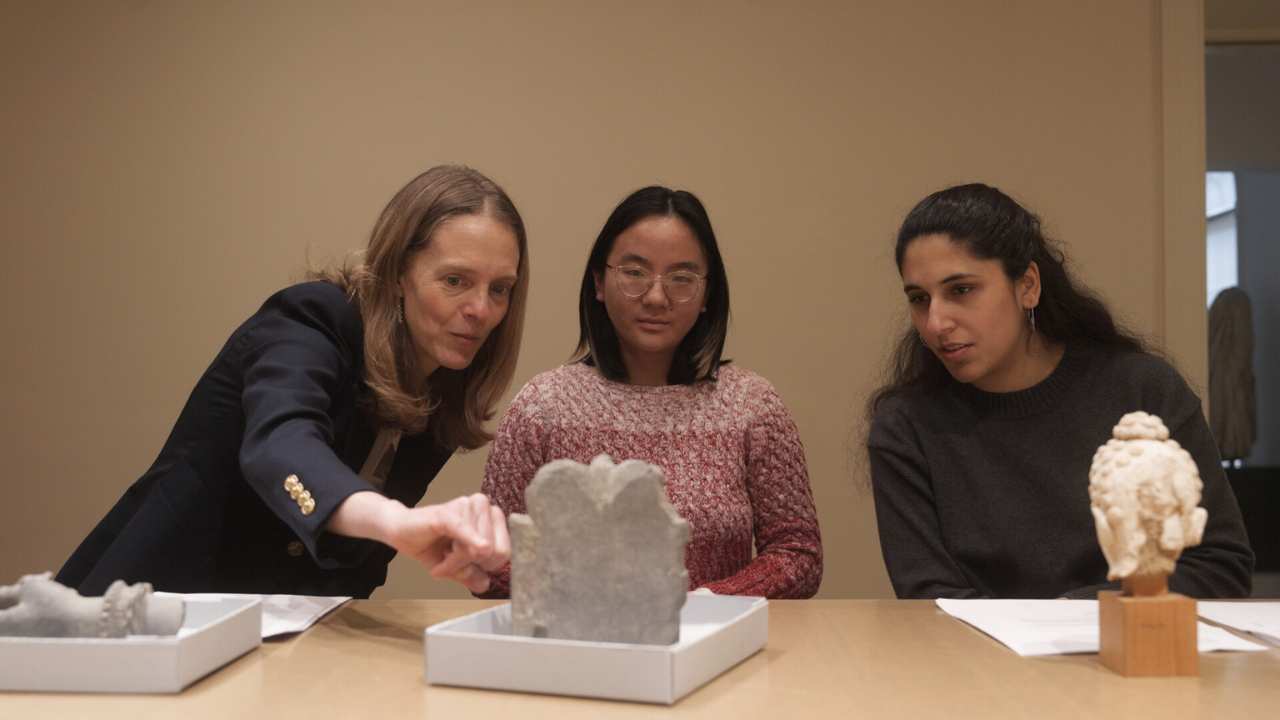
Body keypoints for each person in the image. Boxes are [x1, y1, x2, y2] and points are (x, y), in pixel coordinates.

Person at [57, 165, 526, 598]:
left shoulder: (443, 391)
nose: (481, 310)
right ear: (399, 272)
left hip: (283, 639)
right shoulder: (313, 320)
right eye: (455, 281)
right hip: (149, 612)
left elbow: (349, 564)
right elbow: (280, 445)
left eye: (500, 289)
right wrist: (396, 521)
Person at [866, 183, 1254, 599]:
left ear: (1028, 286)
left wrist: (1078, 614)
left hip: (1136, 639)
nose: (936, 322)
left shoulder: (1143, 390)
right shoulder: (905, 426)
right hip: (968, 646)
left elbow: (1221, 565)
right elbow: (927, 597)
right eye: (919, 298)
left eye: (961, 290)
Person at [479, 186, 822, 599]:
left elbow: (798, 555)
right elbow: (489, 557)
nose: (657, 297)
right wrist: (597, 601)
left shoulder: (752, 405)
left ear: (707, 294)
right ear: (599, 282)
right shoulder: (543, 406)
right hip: (579, 635)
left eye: (681, 279)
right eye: (635, 273)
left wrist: (707, 604)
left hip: (717, 633)